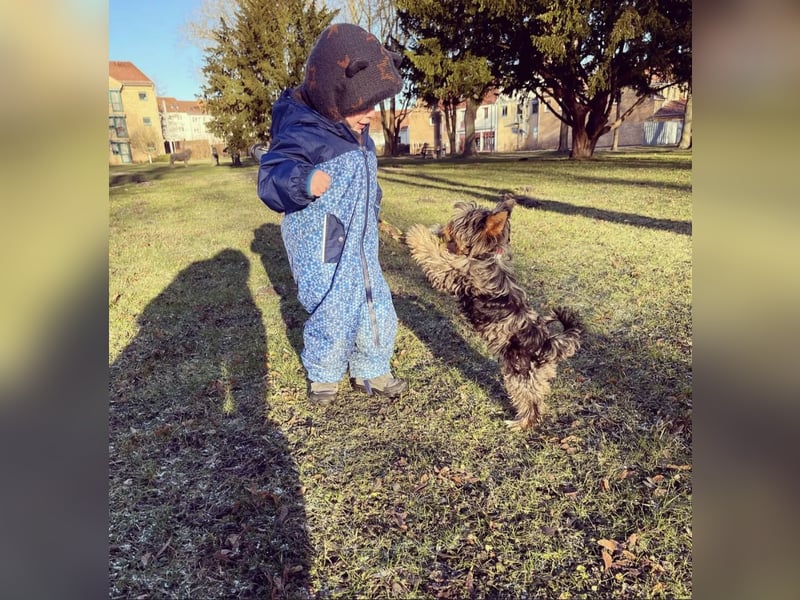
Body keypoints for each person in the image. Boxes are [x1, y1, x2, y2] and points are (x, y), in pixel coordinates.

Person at [256, 23, 407, 404]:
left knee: (376, 302)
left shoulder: (357, 131)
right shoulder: (301, 130)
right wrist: (303, 181)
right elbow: (271, 176)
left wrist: (374, 207)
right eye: (363, 106)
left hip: (361, 239)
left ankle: (373, 367)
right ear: (334, 95)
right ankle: (324, 371)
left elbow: (366, 178)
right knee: (333, 309)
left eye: (374, 105)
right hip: (323, 243)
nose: (370, 115)